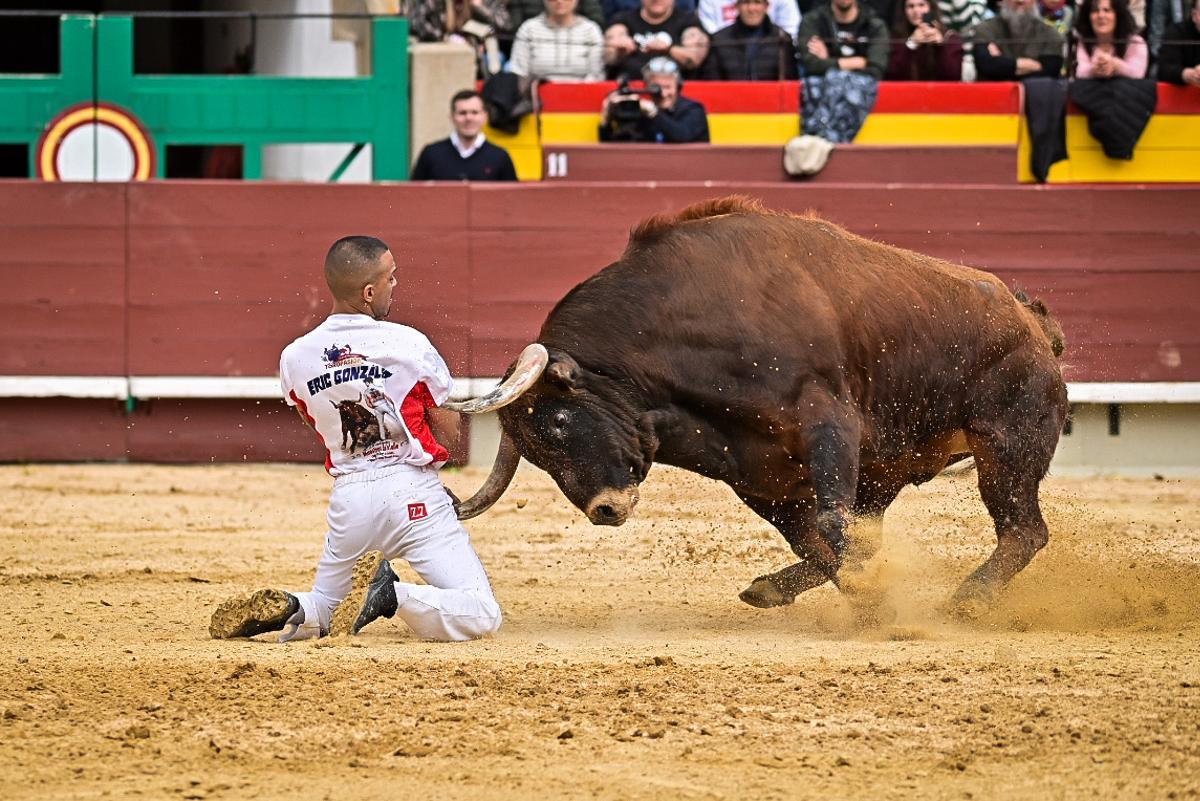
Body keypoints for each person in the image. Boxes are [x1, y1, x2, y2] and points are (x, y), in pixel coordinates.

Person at [209, 236, 503, 643]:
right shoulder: (409, 344)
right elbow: (447, 428)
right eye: (390, 278)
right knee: (481, 613)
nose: (395, 284)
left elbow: (312, 419)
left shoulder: (295, 357)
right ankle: (390, 595)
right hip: (413, 496)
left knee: (327, 609)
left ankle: (295, 607)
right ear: (368, 293)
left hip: (350, 503)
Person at [796, 0, 889, 143]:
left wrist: (829, 61)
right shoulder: (813, 20)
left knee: (854, 84)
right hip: (819, 95)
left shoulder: (874, 23)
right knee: (814, 84)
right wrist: (856, 62)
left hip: (860, 96)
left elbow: (875, 69)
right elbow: (811, 65)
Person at [410, 90, 519, 181]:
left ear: (485, 117)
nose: (468, 118)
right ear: (452, 117)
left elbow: (512, 200)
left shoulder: (500, 157)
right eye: (462, 113)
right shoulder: (431, 154)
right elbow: (415, 195)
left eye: (474, 112)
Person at [599, 56, 711, 141]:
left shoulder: (694, 110)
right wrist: (606, 121)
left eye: (668, 87)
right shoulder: (642, 114)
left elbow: (682, 137)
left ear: (678, 87)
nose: (663, 93)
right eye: (656, 87)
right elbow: (618, 146)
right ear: (647, 87)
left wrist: (654, 113)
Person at [604, 0, 711, 79]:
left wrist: (668, 50)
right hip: (631, 87)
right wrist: (619, 49)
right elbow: (608, 53)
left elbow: (694, 58)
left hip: (677, 91)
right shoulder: (623, 19)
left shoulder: (689, 21)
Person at [509, 0, 607, 80]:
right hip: (537, 96)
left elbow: (597, 73)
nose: (559, 1)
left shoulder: (591, 30)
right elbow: (519, 72)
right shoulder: (528, 29)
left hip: (583, 94)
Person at [700, 0, 800, 78]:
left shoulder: (782, 38)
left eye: (757, 2)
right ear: (737, 7)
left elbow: (790, 82)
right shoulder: (719, 39)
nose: (751, 9)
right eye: (746, 2)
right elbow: (712, 82)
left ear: (766, 7)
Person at [971, 0, 1066, 79]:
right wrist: (1033, 65)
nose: (1020, 1)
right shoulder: (986, 28)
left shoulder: (1050, 34)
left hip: (1037, 98)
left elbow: (1051, 70)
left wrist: (1001, 63)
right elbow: (985, 65)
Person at [886, 0, 965, 79]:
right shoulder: (896, 38)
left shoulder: (950, 37)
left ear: (931, 8)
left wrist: (940, 46)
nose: (916, 10)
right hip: (909, 90)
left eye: (921, 5)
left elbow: (953, 76)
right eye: (910, 6)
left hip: (938, 90)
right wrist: (911, 44)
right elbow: (892, 75)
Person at [1074, 0, 1149, 77]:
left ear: (1118, 15)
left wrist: (1116, 65)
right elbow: (1080, 73)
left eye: (1107, 10)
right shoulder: (1083, 42)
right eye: (1095, 11)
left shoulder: (1135, 42)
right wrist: (1094, 69)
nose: (1101, 15)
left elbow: (1138, 74)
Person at [697, 0, 802, 37]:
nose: (751, 9)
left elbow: (792, 32)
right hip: (725, 57)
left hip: (772, 55)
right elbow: (711, 36)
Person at [1157, 0, 1200, 85]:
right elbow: (1164, 69)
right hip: (1182, 92)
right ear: (1194, 15)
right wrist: (1188, 74)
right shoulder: (1177, 32)